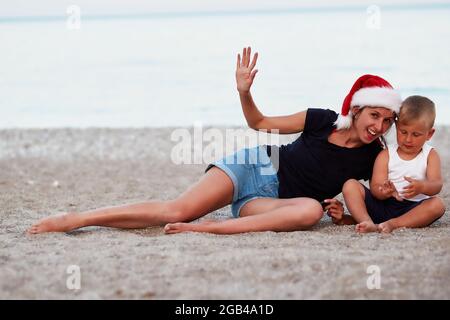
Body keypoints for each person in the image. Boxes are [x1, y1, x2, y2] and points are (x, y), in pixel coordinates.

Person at [28, 47, 400, 235]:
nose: (379, 126)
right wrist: (244, 92)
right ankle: (76, 219)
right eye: (374, 115)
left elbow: (375, 203)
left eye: (387, 121)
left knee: (310, 212)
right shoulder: (321, 119)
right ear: (356, 108)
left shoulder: (373, 156)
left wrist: (347, 216)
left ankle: (204, 230)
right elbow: (259, 122)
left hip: (271, 204)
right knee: (176, 211)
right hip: (257, 164)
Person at [335, 95, 445, 233]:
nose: (408, 139)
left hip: (412, 210)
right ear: (397, 126)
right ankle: (366, 221)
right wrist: (384, 191)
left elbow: (436, 185)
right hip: (383, 206)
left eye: (416, 135)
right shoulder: (386, 154)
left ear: (429, 134)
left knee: (437, 205)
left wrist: (422, 186)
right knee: (350, 185)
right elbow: (375, 188)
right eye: (403, 132)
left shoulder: (430, 155)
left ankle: (394, 224)